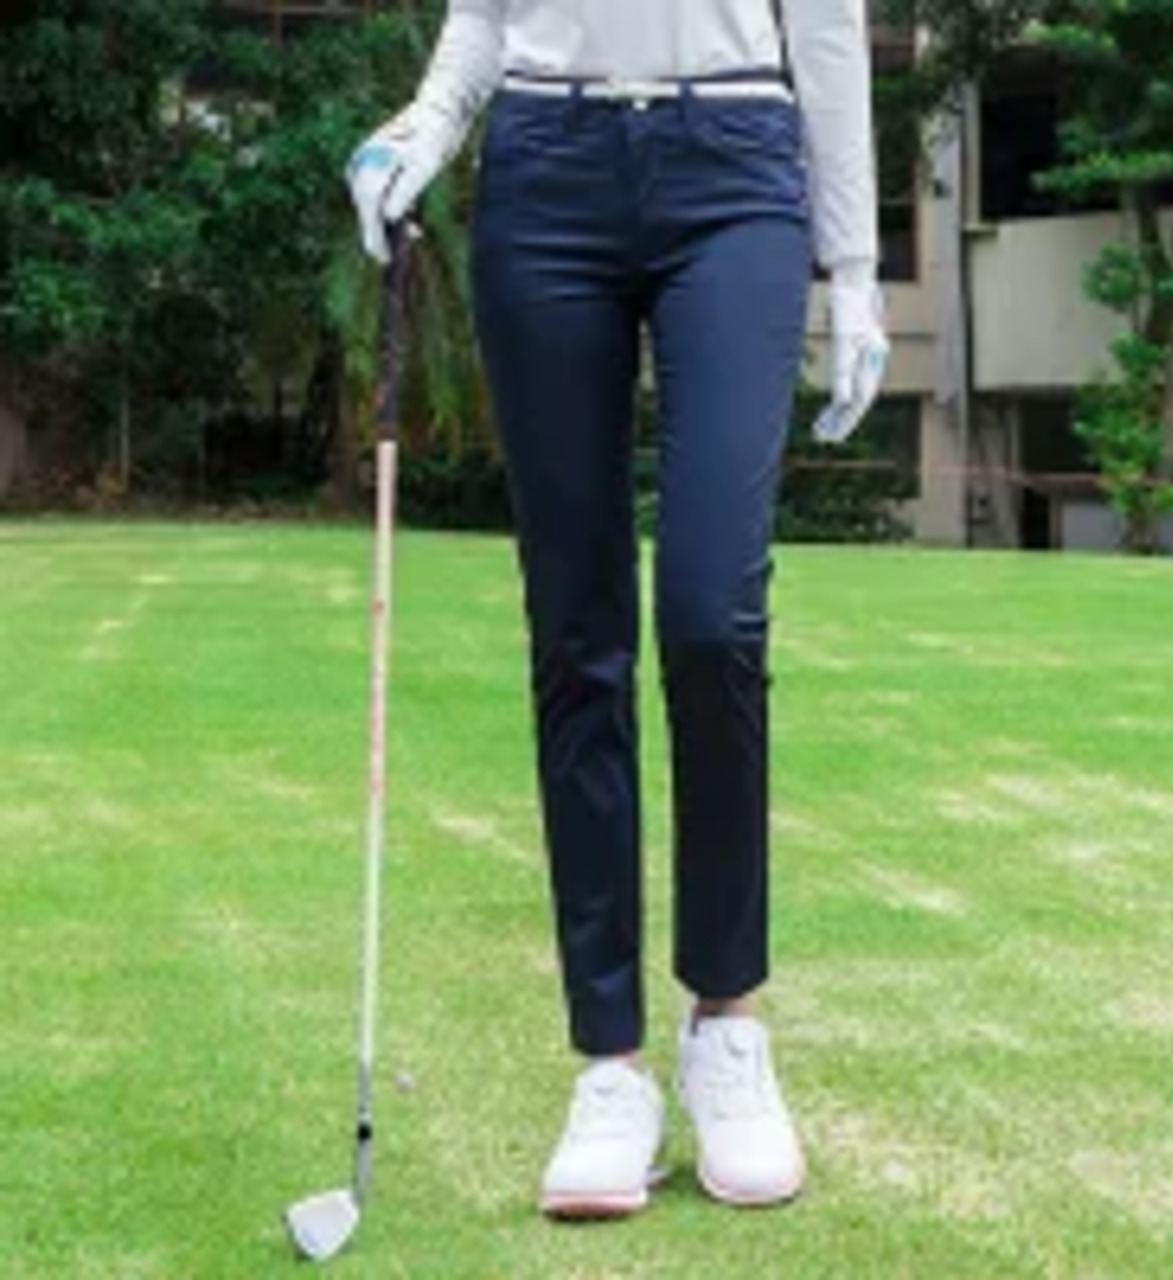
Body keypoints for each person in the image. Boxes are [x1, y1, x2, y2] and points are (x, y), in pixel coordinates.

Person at [347, 0, 888, 1220]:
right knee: (576, 631)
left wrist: (853, 273)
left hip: (735, 170)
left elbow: (828, 25)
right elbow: (484, 16)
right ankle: (610, 1065)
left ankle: (726, 1022)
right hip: (546, 174)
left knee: (710, 613)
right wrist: (426, 125)